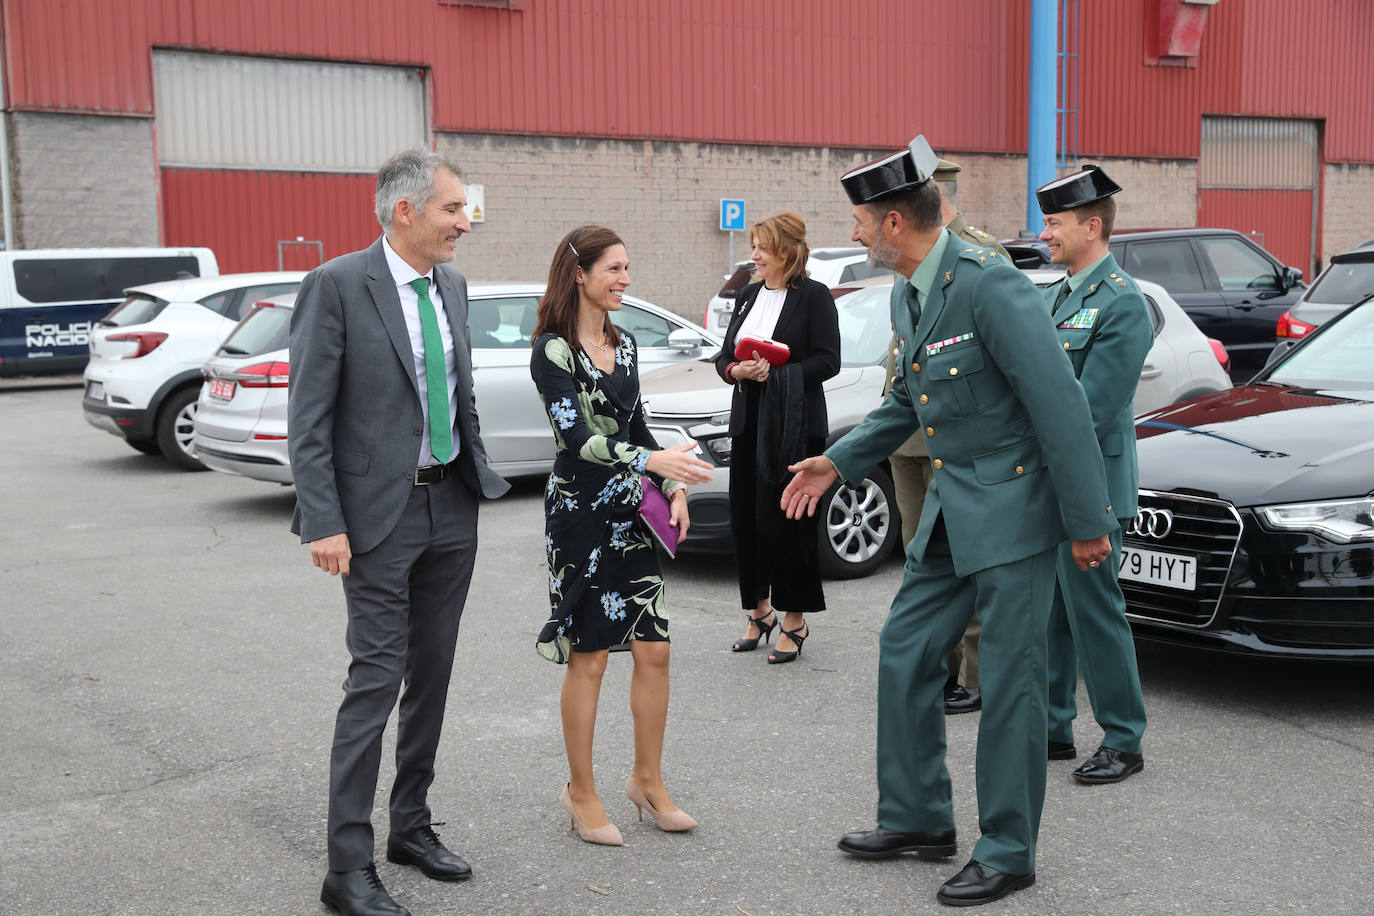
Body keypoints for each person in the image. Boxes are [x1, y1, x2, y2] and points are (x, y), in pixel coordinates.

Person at [780, 135, 1116, 908]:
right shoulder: (911, 293)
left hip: (1016, 512)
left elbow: (1060, 406)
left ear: (895, 221)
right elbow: (907, 404)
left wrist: (1087, 522)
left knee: (1009, 683)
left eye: (862, 222)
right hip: (949, 510)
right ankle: (918, 819)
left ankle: (1008, 850)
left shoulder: (989, 286)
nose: (856, 234)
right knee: (904, 652)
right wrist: (840, 460)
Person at [289, 148, 511, 916]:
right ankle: (345, 866)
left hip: (450, 504)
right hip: (374, 519)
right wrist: (323, 519)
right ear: (406, 210)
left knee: (435, 674)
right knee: (376, 682)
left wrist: (476, 474)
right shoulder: (338, 285)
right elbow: (308, 416)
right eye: (454, 209)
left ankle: (409, 826)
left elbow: (458, 390)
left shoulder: (451, 283)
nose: (466, 222)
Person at [530, 225, 714, 847]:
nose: (625, 279)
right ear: (578, 274)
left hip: (630, 509)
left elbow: (637, 429)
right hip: (580, 516)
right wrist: (651, 465)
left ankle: (647, 781)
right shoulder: (552, 351)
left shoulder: (626, 344)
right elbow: (576, 441)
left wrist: (675, 484)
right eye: (613, 269)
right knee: (588, 658)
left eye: (628, 268)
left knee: (655, 649)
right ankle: (580, 793)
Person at [1036, 165, 1153, 783]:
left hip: (1093, 487)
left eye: (1054, 223)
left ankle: (1123, 738)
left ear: (1092, 226)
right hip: (1053, 480)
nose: (1045, 233)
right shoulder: (1057, 296)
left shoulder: (1123, 303)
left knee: (1096, 611)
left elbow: (1090, 407)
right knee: (1052, 611)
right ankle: (1054, 727)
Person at [883, 157, 1010, 714]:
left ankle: (979, 673)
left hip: (953, 438)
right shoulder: (906, 262)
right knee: (921, 552)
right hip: (910, 434)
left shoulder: (978, 257)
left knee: (968, 554)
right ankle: (942, 667)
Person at [715, 211, 841, 664]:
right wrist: (738, 369)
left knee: (790, 523)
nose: (753, 257)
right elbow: (724, 356)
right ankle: (759, 611)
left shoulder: (815, 297)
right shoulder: (748, 296)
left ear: (786, 251)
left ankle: (794, 618)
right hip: (750, 422)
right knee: (748, 521)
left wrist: (781, 371)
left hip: (793, 427)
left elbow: (829, 361)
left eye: (761, 248)